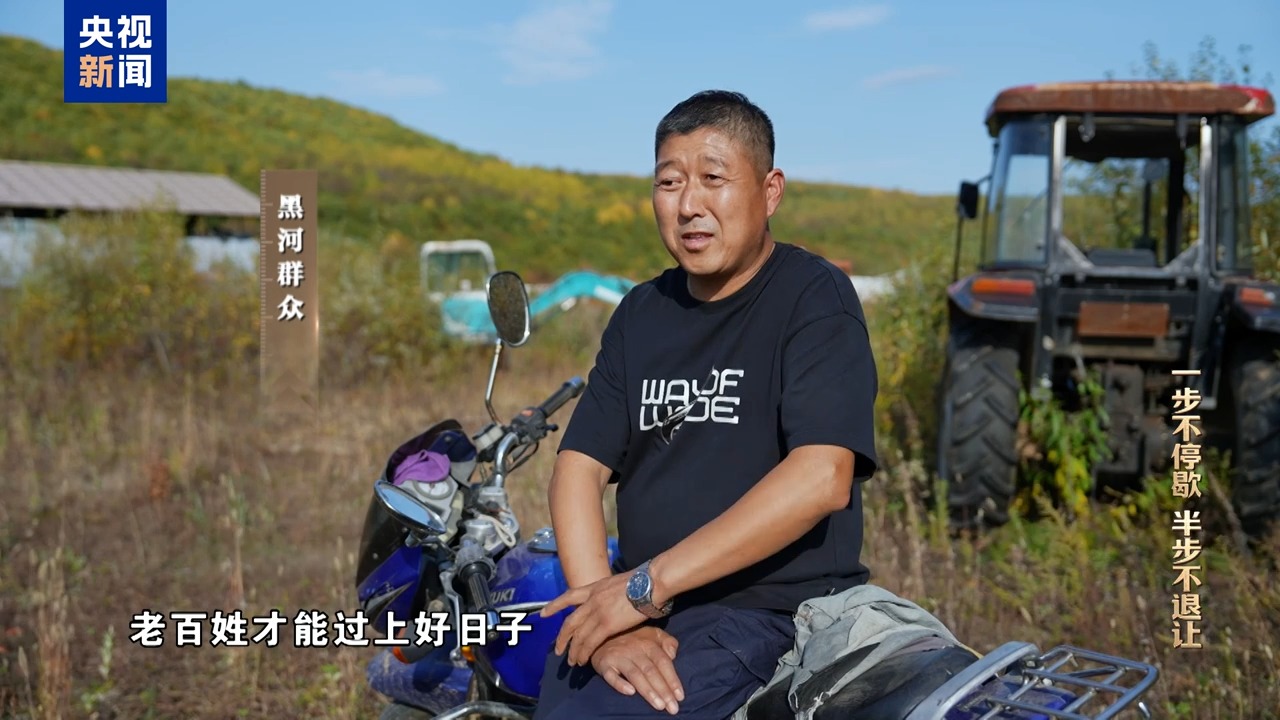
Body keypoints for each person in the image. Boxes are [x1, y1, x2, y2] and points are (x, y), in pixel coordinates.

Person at [532, 89, 879, 719]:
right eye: (669, 182)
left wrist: (641, 590)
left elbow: (822, 477)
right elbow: (578, 468)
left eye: (713, 179)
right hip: (651, 605)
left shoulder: (812, 297)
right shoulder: (642, 312)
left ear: (770, 191)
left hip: (765, 615)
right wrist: (603, 614)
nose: (689, 204)